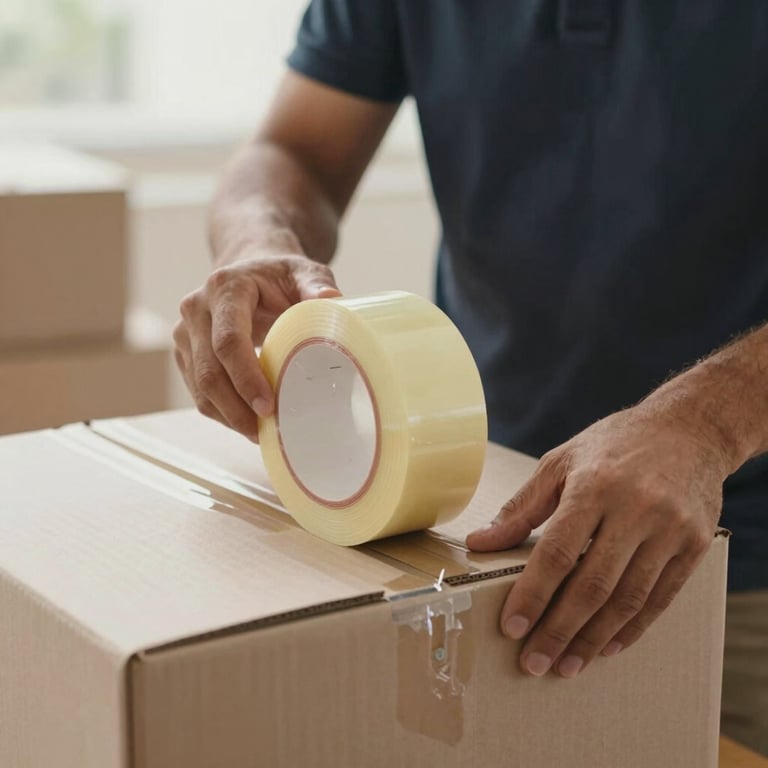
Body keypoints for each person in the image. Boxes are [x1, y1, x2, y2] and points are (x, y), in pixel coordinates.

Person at [173, 1, 768, 754]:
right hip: (478, 518)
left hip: (734, 557)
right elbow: (297, 149)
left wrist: (708, 424)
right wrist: (255, 238)